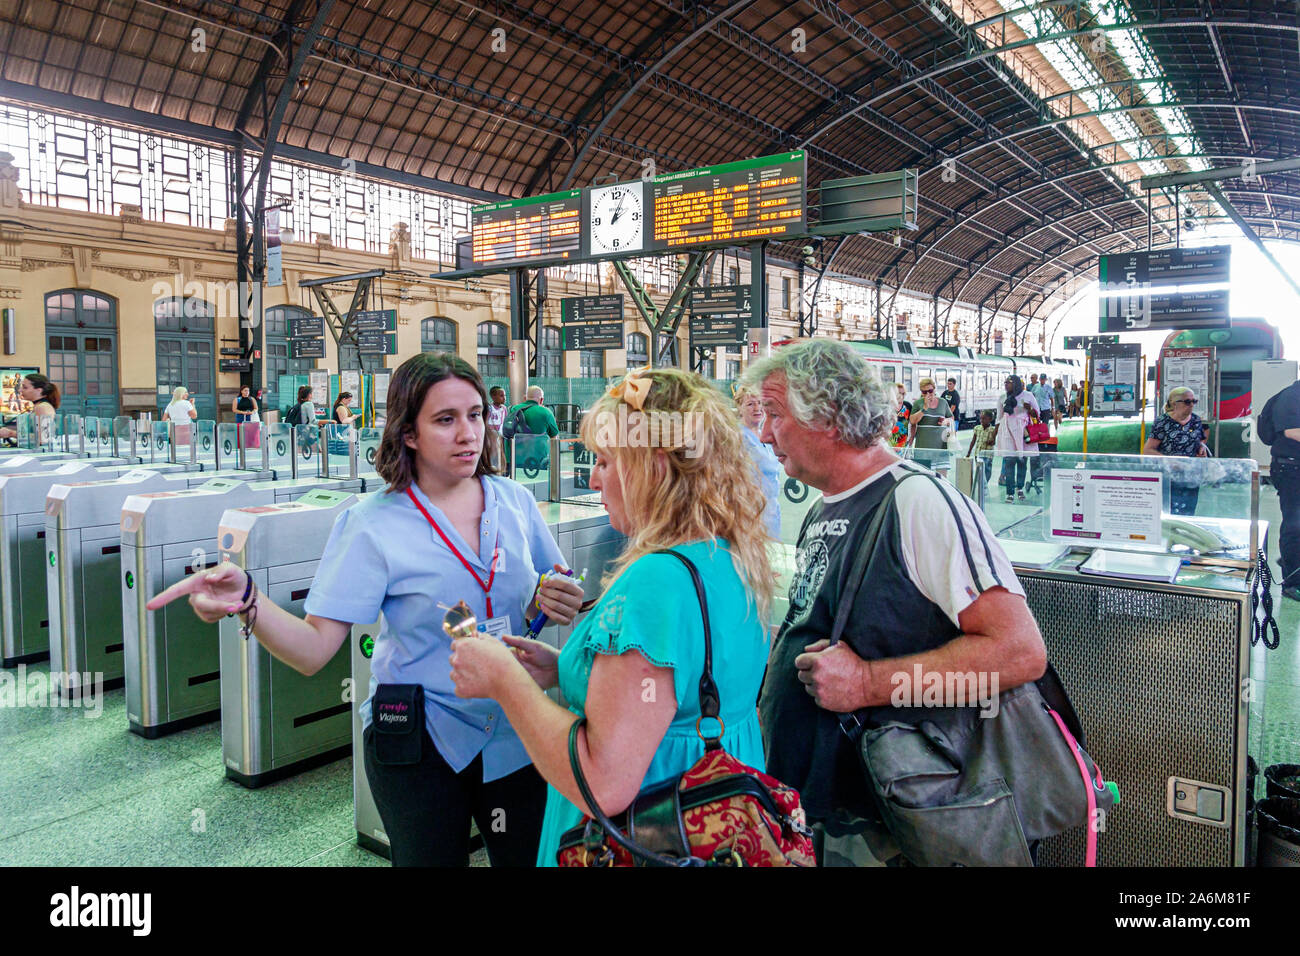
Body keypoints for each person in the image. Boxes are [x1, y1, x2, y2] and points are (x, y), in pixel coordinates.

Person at [146, 352, 585, 866]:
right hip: (422, 737)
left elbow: (549, 590)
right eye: (445, 420)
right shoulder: (371, 524)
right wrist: (250, 601)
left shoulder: (514, 500)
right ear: (409, 433)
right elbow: (314, 650)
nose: (468, 433)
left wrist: (553, 598)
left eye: (474, 415)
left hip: (517, 727)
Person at [447, 367, 772, 867]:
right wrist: (564, 669)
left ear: (654, 465)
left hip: (649, 832)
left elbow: (605, 783)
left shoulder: (655, 581)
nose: (594, 477)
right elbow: (675, 691)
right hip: (717, 820)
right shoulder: (726, 554)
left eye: (605, 461)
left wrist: (504, 680)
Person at [737, 339, 1045, 866]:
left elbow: (1019, 653)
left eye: (774, 414)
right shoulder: (824, 506)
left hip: (887, 825)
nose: (764, 433)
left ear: (829, 417)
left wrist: (866, 684)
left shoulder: (918, 502)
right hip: (824, 808)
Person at [1142, 386, 1209, 516]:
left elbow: (1201, 439)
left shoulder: (1195, 420)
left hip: (1190, 476)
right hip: (1169, 477)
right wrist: (1170, 461)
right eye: (1187, 401)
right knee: (1168, 512)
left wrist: (1201, 447)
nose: (1191, 405)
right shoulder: (1163, 422)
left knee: (1188, 512)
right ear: (1174, 403)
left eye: (1193, 401)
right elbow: (1148, 450)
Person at [1265, 378, 1300, 601]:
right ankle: (1292, 581)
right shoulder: (1291, 396)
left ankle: (1291, 559)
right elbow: (1292, 431)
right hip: (1291, 470)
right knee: (1295, 525)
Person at [737, 385, 783, 539]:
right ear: (739, 408)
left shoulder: (765, 435)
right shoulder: (737, 437)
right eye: (750, 404)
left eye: (760, 403)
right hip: (748, 516)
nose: (757, 408)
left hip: (770, 514)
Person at [995, 374, 1039, 503]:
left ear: (1016, 384)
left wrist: (1029, 409)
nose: (1006, 385)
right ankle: (1009, 492)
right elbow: (999, 417)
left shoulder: (1028, 396)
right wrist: (995, 434)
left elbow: (1037, 413)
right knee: (1009, 462)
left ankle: (1019, 488)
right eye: (1005, 383)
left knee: (1022, 461)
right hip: (1007, 432)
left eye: (1009, 382)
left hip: (1022, 432)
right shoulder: (1003, 397)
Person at [908, 377, 952, 476]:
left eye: (930, 391)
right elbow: (912, 421)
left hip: (941, 448)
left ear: (934, 389)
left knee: (942, 480)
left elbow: (951, 418)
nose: (928, 394)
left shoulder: (943, 402)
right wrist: (924, 408)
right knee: (924, 479)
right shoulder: (918, 403)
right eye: (924, 392)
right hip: (923, 449)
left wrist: (945, 421)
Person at [0, 373, 59, 445]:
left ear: (39, 390)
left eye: (25, 387)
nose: (20, 390)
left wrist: (11, 433)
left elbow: (43, 438)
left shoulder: (42, 408)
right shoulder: (38, 406)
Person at [965, 409, 997, 486]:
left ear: (990, 419)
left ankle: (985, 483)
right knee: (979, 470)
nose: (981, 420)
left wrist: (990, 442)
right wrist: (969, 453)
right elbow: (973, 441)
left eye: (984, 418)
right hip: (978, 454)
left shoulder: (993, 430)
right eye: (981, 418)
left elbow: (994, 442)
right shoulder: (977, 428)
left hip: (988, 455)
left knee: (987, 470)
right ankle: (981, 484)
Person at [890, 382, 911, 448]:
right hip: (889, 441)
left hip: (902, 442)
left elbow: (913, 422)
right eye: (899, 393)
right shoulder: (888, 405)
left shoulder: (908, 405)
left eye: (903, 393)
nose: (902, 395)